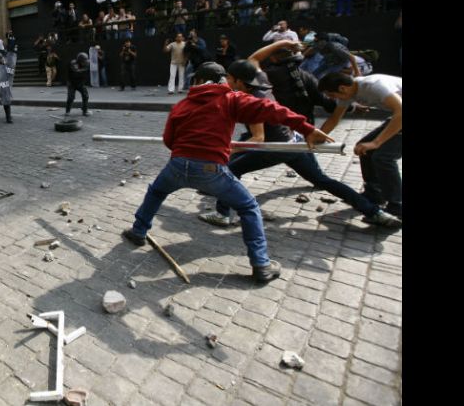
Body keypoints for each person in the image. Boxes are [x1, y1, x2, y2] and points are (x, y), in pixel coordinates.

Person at [121, 61, 334, 283]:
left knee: (156, 192)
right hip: (211, 170)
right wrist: (306, 128)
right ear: (223, 80)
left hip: (177, 165)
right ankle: (261, 265)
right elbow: (271, 109)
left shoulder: (182, 105)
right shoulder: (232, 99)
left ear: (197, 81)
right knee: (248, 207)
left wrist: (188, 150)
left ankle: (138, 231)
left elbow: (169, 140)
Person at [199, 43, 401, 229]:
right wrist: (284, 43)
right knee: (322, 180)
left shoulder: (250, 100)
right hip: (293, 142)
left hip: (276, 147)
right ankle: (374, 212)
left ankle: (222, 214)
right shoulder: (260, 80)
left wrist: (229, 149)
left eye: (230, 78)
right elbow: (254, 58)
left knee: (231, 169)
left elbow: (258, 139)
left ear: (239, 81)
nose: (227, 81)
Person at [319, 72, 403, 220]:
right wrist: (317, 137)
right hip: (398, 115)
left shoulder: (375, 86)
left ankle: (397, 205)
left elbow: (401, 111)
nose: (332, 98)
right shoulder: (348, 93)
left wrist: (376, 142)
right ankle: (374, 193)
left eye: (331, 95)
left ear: (342, 88)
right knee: (364, 149)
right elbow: (334, 118)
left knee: (383, 157)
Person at [65, 52, 90, 117]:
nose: (85, 62)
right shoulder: (73, 63)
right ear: (79, 60)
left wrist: (85, 68)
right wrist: (85, 69)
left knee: (85, 96)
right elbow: (76, 72)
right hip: (72, 83)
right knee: (71, 97)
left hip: (80, 83)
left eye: (85, 61)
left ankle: (85, 110)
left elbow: (84, 73)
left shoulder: (86, 63)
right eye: (83, 61)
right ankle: (67, 111)